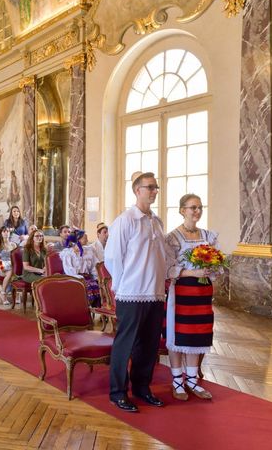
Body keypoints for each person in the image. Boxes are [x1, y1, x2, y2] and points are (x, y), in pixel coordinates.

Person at [105, 171, 169, 412]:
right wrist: (123, 285)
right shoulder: (125, 220)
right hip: (130, 293)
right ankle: (118, 392)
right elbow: (113, 258)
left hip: (154, 293)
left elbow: (161, 257)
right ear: (137, 190)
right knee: (126, 344)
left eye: (156, 188)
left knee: (149, 345)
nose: (154, 191)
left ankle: (142, 388)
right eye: (149, 187)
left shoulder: (157, 221)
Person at [165, 194, 217, 401]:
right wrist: (192, 273)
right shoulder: (173, 237)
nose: (196, 211)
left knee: (197, 335)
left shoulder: (208, 235)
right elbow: (167, 268)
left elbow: (215, 264)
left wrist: (214, 268)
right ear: (182, 210)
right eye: (192, 207)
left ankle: (193, 381)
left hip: (203, 293)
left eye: (199, 207)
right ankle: (177, 382)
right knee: (179, 336)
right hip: (181, 292)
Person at [59, 231, 100, 307]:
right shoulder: (68, 254)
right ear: (78, 240)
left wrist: (97, 277)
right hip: (73, 278)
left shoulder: (88, 251)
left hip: (86, 277)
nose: (87, 240)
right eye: (85, 238)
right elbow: (68, 270)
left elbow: (94, 266)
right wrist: (80, 278)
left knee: (98, 285)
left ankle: (97, 310)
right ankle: (83, 308)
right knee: (88, 286)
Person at [0, 226, 16, 305]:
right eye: (4, 231)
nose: (6, 233)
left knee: (13, 272)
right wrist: (1, 267)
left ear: (10, 233)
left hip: (11, 265)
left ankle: (7, 293)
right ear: (1, 233)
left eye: (7, 231)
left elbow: (16, 258)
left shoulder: (13, 245)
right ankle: (3, 294)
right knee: (10, 272)